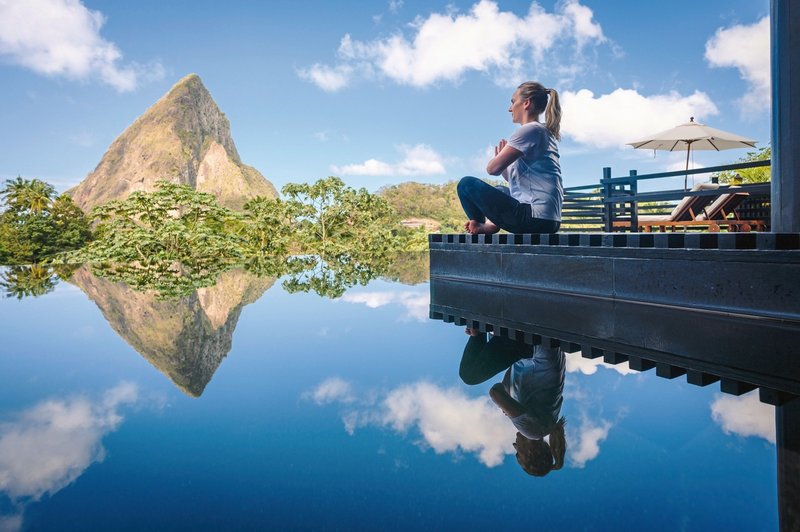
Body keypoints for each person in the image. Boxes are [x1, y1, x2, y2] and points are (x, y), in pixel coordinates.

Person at [457, 81, 563, 235]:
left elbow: (491, 169)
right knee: (501, 189)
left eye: (513, 102)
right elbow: (514, 180)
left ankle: (479, 225)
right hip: (547, 220)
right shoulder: (542, 132)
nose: (510, 108)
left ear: (526, 103)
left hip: (534, 218)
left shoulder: (529, 130)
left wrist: (498, 161)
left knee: (466, 184)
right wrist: (504, 166)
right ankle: (490, 225)